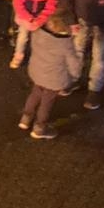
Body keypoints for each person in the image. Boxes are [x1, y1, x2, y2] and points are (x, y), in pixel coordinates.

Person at [21, 10, 81, 140]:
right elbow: (74, 65)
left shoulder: (37, 33)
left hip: (37, 71)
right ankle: (39, 128)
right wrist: (75, 77)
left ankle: (26, 118)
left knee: (35, 93)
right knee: (46, 103)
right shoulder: (66, 45)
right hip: (54, 79)